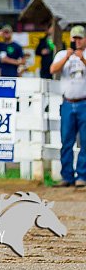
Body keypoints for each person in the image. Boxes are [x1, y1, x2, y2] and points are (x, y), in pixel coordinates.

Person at [49, 25, 86, 187]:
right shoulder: (62, 54)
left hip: (84, 102)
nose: (77, 41)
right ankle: (67, 176)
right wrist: (67, 57)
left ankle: (82, 176)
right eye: (74, 38)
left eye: (80, 38)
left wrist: (82, 59)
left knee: (85, 141)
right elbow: (53, 70)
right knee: (66, 140)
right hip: (67, 102)